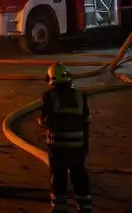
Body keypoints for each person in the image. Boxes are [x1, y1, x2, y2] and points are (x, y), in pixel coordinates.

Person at [38, 63, 92, 213]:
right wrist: (85, 146)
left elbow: (44, 121)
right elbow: (86, 122)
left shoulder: (48, 95)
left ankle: (59, 208)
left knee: (58, 177)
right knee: (79, 176)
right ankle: (85, 207)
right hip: (78, 146)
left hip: (57, 146)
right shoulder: (81, 96)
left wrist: (42, 122)